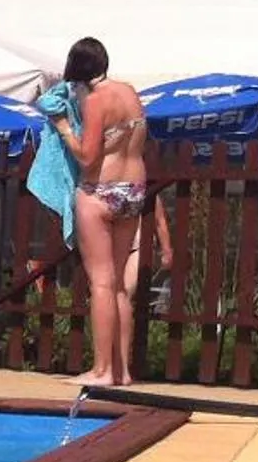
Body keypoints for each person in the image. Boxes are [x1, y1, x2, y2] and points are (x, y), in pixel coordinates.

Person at [45, 37, 171, 389]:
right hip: (133, 191)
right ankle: (122, 371)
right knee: (117, 288)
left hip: (100, 191)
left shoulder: (96, 101)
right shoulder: (130, 92)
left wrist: (63, 126)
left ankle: (101, 371)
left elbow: (87, 157)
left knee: (101, 283)